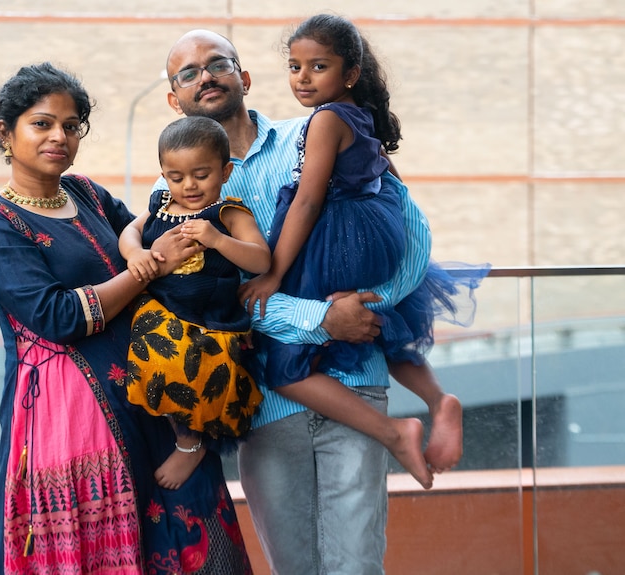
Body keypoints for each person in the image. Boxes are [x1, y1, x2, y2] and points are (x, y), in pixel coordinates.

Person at [163, 27, 476, 574]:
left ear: (245, 77)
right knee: (297, 568)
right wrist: (323, 318)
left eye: (218, 63)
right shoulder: (183, 193)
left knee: (356, 566)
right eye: (188, 73)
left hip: (355, 378)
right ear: (174, 99)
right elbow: (225, 303)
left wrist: (375, 301)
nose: (205, 77)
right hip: (265, 403)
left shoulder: (313, 134)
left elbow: (407, 224)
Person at [0, 62, 252, 574]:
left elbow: (161, 235)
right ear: (6, 132)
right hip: (71, 415)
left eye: (71, 126)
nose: (59, 137)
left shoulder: (87, 194)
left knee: (192, 535)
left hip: (156, 394)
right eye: (42, 123)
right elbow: (58, 316)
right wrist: (151, 266)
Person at [234, 13, 489, 490]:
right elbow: (388, 184)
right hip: (374, 239)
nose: (303, 78)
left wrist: (272, 275)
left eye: (318, 66)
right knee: (379, 321)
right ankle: (437, 400)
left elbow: (307, 202)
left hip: (338, 241)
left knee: (284, 368)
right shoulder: (360, 116)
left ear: (350, 73)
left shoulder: (325, 121)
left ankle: (396, 433)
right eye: (294, 67)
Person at [119, 116, 271, 490]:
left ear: (225, 171)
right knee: (153, 360)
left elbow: (261, 260)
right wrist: (135, 254)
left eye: (201, 175)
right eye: (176, 176)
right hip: (162, 310)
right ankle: (179, 435)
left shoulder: (228, 214)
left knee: (201, 371)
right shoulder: (161, 206)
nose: (188, 185)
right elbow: (130, 231)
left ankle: (192, 444)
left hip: (211, 321)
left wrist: (219, 241)